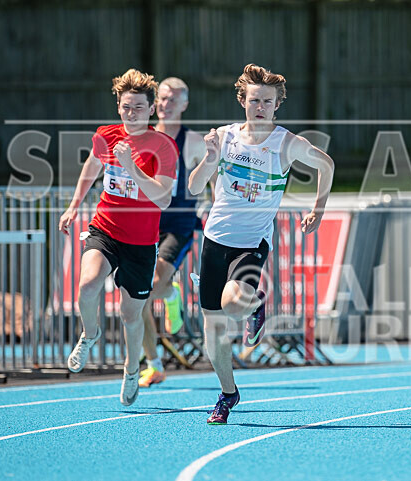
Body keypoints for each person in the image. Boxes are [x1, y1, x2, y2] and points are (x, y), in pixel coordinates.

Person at [188, 64, 335, 424]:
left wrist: (319, 208)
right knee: (214, 330)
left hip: (252, 242)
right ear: (243, 101)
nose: (260, 108)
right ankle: (227, 394)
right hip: (215, 240)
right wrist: (209, 160)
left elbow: (326, 164)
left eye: (267, 102)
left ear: (277, 105)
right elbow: (193, 188)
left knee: (232, 303)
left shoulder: (287, 143)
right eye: (254, 101)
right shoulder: (223, 138)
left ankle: (256, 304)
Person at [58, 69, 177, 406]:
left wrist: (132, 166)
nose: (131, 113)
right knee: (87, 284)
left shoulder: (162, 146)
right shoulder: (105, 135)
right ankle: (90, 334)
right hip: (106, 228)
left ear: (151, 109)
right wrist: (73, 207)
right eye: (126, 107)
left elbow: (164, 199)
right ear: (119, 106)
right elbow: (91, 169)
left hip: (141, 242)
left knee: (130, 315)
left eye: (139, 107)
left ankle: (130, 367)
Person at [138, 77, 206, 388]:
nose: (165, 105)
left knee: (151, 284)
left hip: (178, 224)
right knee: (136, 293)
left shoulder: (192, 141)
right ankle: (152, 362)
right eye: (162, 98)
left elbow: (212, 178)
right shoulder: (145, 137)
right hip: (146, 220)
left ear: (184, 105)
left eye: (173, 100)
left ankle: (170, 294)